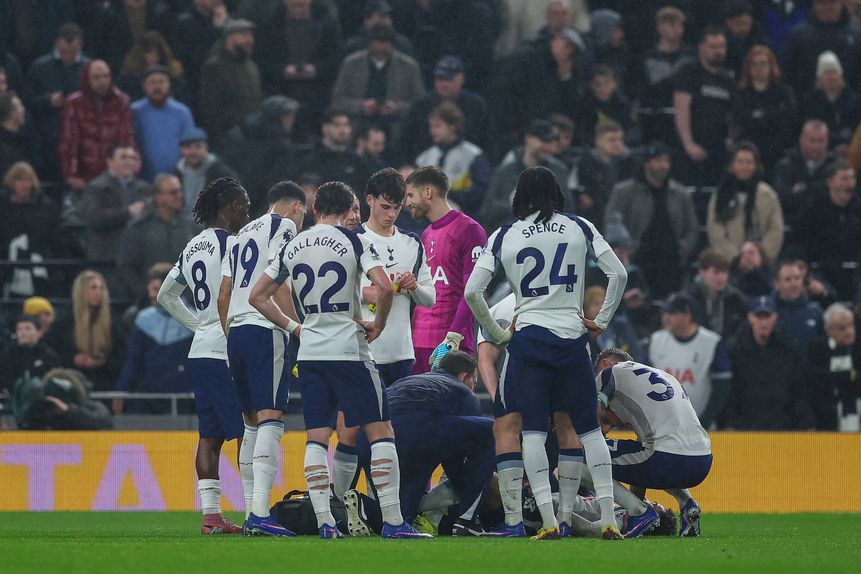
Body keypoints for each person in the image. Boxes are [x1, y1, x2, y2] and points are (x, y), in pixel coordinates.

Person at [249, 180, 431, 540]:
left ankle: (325, 523)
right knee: (381, 431)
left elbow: (258, 296)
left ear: (316, 210)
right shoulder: (354, 240)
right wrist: (376, 325)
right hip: (349, 350)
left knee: (317, 437)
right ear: (349, 209)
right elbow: (383, 286)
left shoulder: (293, 245)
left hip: (312, 351)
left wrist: (296, 327)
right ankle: (394, 522)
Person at [465, 165, 628, 540]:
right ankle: (607, 517)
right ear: (557, 192)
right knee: (589, 431)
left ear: (518, 195)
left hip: (530, 339)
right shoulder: (579, 227)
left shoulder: (505, 233)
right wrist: (601, 320)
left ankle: (549, 522)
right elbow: (618, 273)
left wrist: (497, 333)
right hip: (572, 339)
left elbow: (473, 292)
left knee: (534, 434)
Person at [329, 169, 437, 500]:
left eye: (396, 209)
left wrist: (414, 286)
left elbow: (431, 298)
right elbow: (332, 292)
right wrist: (365, 293)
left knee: (396, 435)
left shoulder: (411, 243)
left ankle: (389, 505)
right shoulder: (350, 240)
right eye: (384, 207)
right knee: (349, 430)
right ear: (370, 200)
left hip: (400, 354)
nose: (390, 215)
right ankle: (340, 504)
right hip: (361, 352)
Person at [157, 176, 252, 535]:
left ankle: (211, 517)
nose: (248, 210)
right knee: (248, 429)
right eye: (244, 203)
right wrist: (212, 325)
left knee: (209, 436)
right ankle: (256, 510)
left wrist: (199, 325)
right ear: (231, 207)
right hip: (226, 349)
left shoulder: (193, 245)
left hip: (201, 350)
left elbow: (166, 295)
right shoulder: (237, 244)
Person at [219, 179, 301, 536]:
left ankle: (253, 507)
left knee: (250, 421)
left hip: (235, 331)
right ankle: (260, 512)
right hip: (265, 329)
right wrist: (295, 327)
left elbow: (224, 295)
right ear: (296, 207)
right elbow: (279, 281)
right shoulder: (283, 227)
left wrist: (231, 334)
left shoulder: (237, 237)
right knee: (271, 417)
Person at [346, 351, 494, 536]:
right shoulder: (463, 392)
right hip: (414, 435)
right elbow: (463, 451)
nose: (473, 387)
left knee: (399, 518)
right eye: (474, 382)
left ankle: (365, 507)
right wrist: (472, 489)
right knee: (490, 431)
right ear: (464, 377)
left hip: (369, 442)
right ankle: (468, 520)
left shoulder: (413, 381)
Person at [592, 348, 712, 538]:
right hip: (703, 460)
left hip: (665, 458)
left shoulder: (609, 373)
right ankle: (687, 504)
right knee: (650, 452)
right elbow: (640, 467)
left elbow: (593, 415)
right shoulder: (665, 377)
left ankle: (640, 513)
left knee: (585, 454)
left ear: (606, 364)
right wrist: (636, 500)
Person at [404, 166, 487, 374]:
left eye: (411, 195)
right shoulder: (425, 234)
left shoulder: (469, 230)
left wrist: (453, 337)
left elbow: (473, 291)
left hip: (451, 347)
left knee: (454, 407)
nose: (407, 203)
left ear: (428, 193)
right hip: (418, 343)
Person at [604, 142, 699, 299]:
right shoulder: (624, 191)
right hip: (638, 260)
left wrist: (683, 249)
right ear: (647, 163)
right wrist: (625, 251)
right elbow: (613, 223)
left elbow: (692, 228)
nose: (664, 165)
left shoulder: (680, 193)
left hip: (671, 263)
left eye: (667, 161)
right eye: (658, 160)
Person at [724, 295, 814, 430]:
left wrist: (806, 422)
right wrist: (729, 423)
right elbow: (730, 391)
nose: (763, 322)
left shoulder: (789, 349)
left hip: (782, 424)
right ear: (750, 318)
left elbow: (799, 389)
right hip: (746, 425)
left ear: (775, 318)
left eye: (767, 317)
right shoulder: (736, 349)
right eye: (759, 317)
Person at [114, 263, 194, 414]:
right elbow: (133, 360)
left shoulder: (193, 319)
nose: (151, 294)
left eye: (156, 289)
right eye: (150, 289)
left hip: (183, 398)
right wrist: (121, 391)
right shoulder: (143, 320)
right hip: (148, 398)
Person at [648, 292, 732, 430]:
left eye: (672, 313)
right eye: (665, 312)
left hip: (701, 428)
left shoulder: (711, 343)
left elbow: (721, 389)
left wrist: (704, 422)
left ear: (687, 315)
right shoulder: (656, 341)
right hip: (661, 428)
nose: (666, 317)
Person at [255, 0, 342, 131]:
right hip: (282, 93)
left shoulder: (327, 24)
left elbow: (335, 59)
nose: (298, 10)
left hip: (317, 95)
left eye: (302, 6)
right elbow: (263, 60)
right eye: (294, 6)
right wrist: (281, 71)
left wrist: (317, 70)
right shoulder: (271, 25)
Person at [330, 22, 425, 137]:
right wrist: (361, 106)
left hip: (395, 130)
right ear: (369, 43)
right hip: (358, 128)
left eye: (386, 42)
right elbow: (337, 100)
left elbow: (420, 103)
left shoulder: (409, 66)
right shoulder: (351, 63)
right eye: (378, 42)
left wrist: (397, 107)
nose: (382, 46)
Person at [398, 55, 496, 164]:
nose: (443, 84)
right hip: (425, 168)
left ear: (461, 79)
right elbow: (406, 143)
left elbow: (489, 144)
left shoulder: (477, 107)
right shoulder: (420, 106)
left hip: (467, 168)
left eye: (448, 79)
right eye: (439, 79)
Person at [116, 174, 198, 301]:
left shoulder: (194, 227)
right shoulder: (139, 228)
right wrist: (143, 295)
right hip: (150, 302)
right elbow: (126, 267)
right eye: (173, 192)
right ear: (158, 197)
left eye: (180, 191)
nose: (179, 196)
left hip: (190, 303)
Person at [24, 23, 89, 180]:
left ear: (80, 44)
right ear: (56, 44)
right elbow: (26, 100)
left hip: (81, 137)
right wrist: (47, 100)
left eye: (71, 52)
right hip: (48, 137)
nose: (67, 56)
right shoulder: (40, 67)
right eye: (63, 51)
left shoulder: (89, 68)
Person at [481, 119, 571, 232]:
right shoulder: (505, 171)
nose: (548, 147)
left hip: (546, 236)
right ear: (528, 138)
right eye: (544, 141)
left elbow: (568, 209)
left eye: (552, 142)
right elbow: (488, 209)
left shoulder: (558, 172)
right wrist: (514, 206)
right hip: (510, 235)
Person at [57, 59, 135, 189]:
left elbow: (126, 139)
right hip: (84, 176)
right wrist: (71, 174)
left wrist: (127, 169)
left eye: (106, 76)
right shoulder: (74, 103)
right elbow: (69, 141)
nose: (102, 82)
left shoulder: (122, 101)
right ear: (87, 79)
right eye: (96, 77)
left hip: (115, 174)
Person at [790, 160, 861, 302]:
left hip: (854, 273)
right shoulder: (813, 209)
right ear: (830, 182)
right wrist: (808, 276)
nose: (850, 183)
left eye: (852, 178)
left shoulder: (858, 208)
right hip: (821, 271)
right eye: (844, 179)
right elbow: (799, 243)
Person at [673, 26, 735, 187]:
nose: (718, 51)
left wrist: (730, 137)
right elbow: (681, 109)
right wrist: (688, 144)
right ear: (701, 48)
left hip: (719, 150)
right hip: (693, 148)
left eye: (721, 46)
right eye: (713, 47)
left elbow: (732, 112)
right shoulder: (689, 73)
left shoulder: (728, 78)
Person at [706, 142, 784, 264]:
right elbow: (715, 232)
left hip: (762, 264)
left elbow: (776, 230)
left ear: (756, 166)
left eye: (749, 162)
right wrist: (736, 258)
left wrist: (760, 255)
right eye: (740, 162)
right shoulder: (720, 195)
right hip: (729, 264)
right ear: (731, 165)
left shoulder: (768, 195)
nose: (744, 167)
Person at [221, 95, 301, 213]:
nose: (291, 120)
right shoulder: (281, 146)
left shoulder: (237, 133)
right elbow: (278, 183)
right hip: (261, 206)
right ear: (279, 117)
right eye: (288, 116)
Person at [630, 6, 695, 147]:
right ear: (660, 28)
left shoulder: (690, 56)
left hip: (685, 118)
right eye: (672, 25)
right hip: (656, 120)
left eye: (680, 25)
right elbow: (643, 88)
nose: (677, 29)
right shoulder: (648, 58)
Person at [414, 102, 492, 219]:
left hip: (465, 217)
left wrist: (446, 196)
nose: (432, 131)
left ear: (452, 126)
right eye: (431, 126)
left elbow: (480, 192)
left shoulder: (473, 155)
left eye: (437, 126)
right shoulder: (423, 158)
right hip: (426, 221)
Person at [731, 45, 796, 178]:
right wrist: (769, 117)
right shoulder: (741, 94)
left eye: (763, 63)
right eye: (754, 64)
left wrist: (760, 117)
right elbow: (743, 122)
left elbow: (788, 123)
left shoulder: (784, 93)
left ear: (771, 65)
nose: (758, 68)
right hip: (750, 154)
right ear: (748, 68)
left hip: (777, 153)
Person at [80, 144, 151, 263]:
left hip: (136, 257)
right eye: (123, 157)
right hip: (106, 256)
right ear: (110, 161)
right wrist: (128, 212)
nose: (129, 161)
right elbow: (93, 217)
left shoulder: (145, 188)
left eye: (132, 158)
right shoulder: (96, 188)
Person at [56, 270, 124, 391]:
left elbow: (122, 356)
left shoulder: (113, 322)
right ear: (81, 291)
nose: (98, 292)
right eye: (93, 287)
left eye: (101, 288)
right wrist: (74, 359)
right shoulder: (65, 321)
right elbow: (56, 354)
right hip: (73, 381)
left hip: (105, 381)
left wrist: (103, 361)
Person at [0, 162, 60, 297]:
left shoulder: (46, 207)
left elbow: (54, 239)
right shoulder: (2, 206)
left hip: (39, 268)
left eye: (28, 180)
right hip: (6, 267)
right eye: (20, 179)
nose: (24, 184)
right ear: (11, 182)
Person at [198, 19, 262, 144]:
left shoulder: (251, 65)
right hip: (230, 136)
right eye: (244, 35)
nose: (249, 40)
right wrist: (221, 137)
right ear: (229, 38)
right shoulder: (215, 66)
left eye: (250, 35)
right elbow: (210, 108)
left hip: (253, 133)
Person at [781, 0, 861, 97]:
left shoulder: (857, 35)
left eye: (832, 2)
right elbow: (788, 72)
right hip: (808, 104)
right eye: (822, 3)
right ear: (814, 5)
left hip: (852, 105)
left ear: (841, 3)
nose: (827, 7)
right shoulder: (798, 37)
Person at [569, 119, 636, 229]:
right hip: (593, 222)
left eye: (620, 139)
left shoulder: (631, 165)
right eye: (612, 140)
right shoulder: (584, 164)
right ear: (598, 141)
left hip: (625, 222)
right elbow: (574, 190)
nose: (618, 144)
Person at [131, 66, 195, 181]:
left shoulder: (182, 112)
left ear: (169, 85)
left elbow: (190, 144)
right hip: (142, 179)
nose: (157, 87)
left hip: (177, 178)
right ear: (144, 86)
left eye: (161, 82)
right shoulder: (134, 111)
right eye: (152, 83)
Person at [296, 109, 371, 202]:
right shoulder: (312, 158)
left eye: (346, 125)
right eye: (337, 125)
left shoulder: (357, 160)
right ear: (325, 128)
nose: (343, 130)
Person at [808, 303, 860, 431]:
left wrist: (849, 375)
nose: (849, 331)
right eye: (842, 328)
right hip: (828, 415)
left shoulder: (858, 347)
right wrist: (846, 375)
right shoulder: (817, 349)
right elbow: (817, 380)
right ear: (829, 331)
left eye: (851, 326)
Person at [773, 120, 834, 223]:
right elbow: (783, 199)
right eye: (812, 140)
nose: (816, 146)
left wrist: (804, 190)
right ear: (802, 140)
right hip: (794, 224)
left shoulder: (836, 165)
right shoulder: (786, 165)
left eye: (820, 141)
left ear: (827, 141)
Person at [800, 51, 861, 150]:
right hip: (820, 151)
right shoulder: (810, 102)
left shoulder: (854, 101)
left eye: (834, 72)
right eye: (826, 73)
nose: (831, 77)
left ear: (841, 76)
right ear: (819, 79)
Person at [171, 127, 238, 217]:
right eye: (188, 147)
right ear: (181, 149)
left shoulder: (220, 172)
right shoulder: (175, 173)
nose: (193, 152)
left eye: (198, 147)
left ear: (206, 147)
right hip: (181, 224)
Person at [686, 250, 749, 340]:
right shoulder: (690, 298)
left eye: (724, 272)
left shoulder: (736, 299)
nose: (721, 277)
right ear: (702, 272)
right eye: (716, 272)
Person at [772, 259, 825, 362]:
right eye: (788, 279)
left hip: (809, 372)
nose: (794, 283)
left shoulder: (815, 311)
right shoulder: (769, 313)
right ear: (777, 283)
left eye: (797, 278)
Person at [116, 31, 188, 105]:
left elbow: (182, 100)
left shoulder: (174, 76)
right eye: (149, 52)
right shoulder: (128, 78)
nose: (154, 56)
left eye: (157, 53)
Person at [0, 314, 62, 393]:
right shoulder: (7, 356)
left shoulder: (49, 356)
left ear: (39, 333)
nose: (22, 332)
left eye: (27, 328)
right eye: (19, 329)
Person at [574, 66, 632, 145]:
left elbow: (630, 130)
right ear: (591, 85)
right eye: (597, 84)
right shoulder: (584, 105)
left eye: (607, 83)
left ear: (615, 84)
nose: (602, 88)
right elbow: (581, 133)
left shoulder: (623, 105)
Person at [342, 0, 414, 58]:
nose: (386, 21)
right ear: (367, 20)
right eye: (381, 17)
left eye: (388, 17)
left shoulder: (402, 45)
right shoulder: (354, 47)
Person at [0, 92, 40, 177]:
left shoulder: (25, 138)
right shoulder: (3, 146)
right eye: (19, 106)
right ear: (11, 113)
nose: (23, 109)